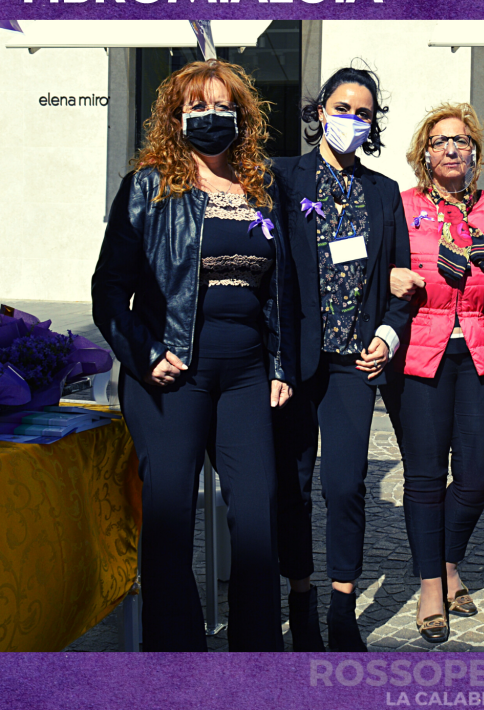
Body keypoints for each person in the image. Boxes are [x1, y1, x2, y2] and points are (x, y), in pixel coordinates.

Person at [92, 60, 292, 652]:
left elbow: (283, 287)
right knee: (170, 518)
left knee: (257, 515)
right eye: (197, 107)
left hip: (248, 373)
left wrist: (280, 362)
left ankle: (256, 660)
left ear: (242, 115)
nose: (211, 117)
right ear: (175, 117)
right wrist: (143, 352)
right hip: (170, 374)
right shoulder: (148, 186)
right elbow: (108, 290)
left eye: (223, 106)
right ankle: (177, 664)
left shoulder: (264, 186)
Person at [383, 103, 484, 644]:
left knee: (478, 473)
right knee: (425, 477)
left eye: (462, 141)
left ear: (475, 153)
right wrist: (389, 276)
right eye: (440, 141)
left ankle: (447, 559)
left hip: (479, 350)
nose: (451, 149)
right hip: (417, 353)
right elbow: (374, 269)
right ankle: (434, 583)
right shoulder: (399, 207)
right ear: (424, 153)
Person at [272, 66, 410, 652]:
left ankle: (342, 605)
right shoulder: (282, 177)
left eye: (364, 112)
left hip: (355, 363)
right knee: (294, 485)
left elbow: (401, 282)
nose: (352, 119)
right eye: (343, 108)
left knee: (346, 485)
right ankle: (301, 597)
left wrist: (388, 334)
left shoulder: (382, 191)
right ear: (320, 111)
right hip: (295, 360)